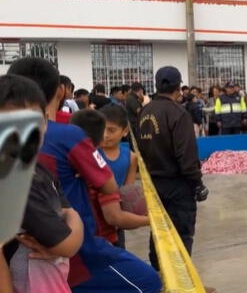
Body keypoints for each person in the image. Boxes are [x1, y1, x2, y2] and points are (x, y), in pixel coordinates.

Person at [8, 58, 161, 293]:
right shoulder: (70, 135)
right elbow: (110, 189)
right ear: (60, 90)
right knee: (149, 282)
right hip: (76, 255)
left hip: (31, 258)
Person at [0, 74, 84, 293]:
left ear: (46, 121)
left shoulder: (38, 169)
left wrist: (72, 223)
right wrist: (71, 234)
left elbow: (68, 211)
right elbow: (67, 244)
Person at [137, 66, 209, 272]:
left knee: (159, 234)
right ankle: (178, 282)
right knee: (181, 236)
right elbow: (186, 156)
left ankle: (159, 279)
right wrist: (197, 183)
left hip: (153, 184)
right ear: (179, 88)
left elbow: (139, 148)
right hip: (177, 186)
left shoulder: (145, 112)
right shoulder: (179, 113)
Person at [70, 108, 149, 249]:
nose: (105, 135)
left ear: (125, 131)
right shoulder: (91, 153)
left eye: (111, 130)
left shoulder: (131, 157)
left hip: (114, 215)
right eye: (103, 129)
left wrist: (130, 213)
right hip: (92, 215)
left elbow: (127, 192)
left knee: (118, 249)